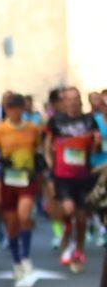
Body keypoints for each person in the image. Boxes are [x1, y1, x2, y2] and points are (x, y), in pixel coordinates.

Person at [0, 93, 44, 280]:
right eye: (10, 108)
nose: (14, 112)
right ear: (6, 110)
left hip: (26, 177)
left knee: (24, 215)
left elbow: (38, 148)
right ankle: (16, 260)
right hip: (8, 179)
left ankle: (26, 256)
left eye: (17, 108)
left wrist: (39, 162)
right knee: (11, 223)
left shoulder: (32, 129)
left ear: (22, 109)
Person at [45, 86, 100, 273]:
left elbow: (94, 148)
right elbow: (46, 147)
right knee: (68, 210)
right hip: (63, 175)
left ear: (80, 100)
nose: (73, 101)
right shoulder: (56, 121)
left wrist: (97, 142)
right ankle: (67, 231)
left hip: (84, 174)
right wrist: (51, 165)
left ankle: (79, 250)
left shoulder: (89, 120)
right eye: (69, 98)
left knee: (83, 217)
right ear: (63, 101)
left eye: (76, 98)